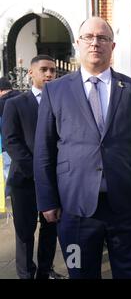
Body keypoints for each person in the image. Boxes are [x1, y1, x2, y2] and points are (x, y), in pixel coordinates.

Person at [33, 17, 131, 279]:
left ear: (113, 45)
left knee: (130, 273)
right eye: (88, 37)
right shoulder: (56, 91)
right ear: (78, 43)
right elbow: (44, 151)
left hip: (127, 207)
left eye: (102, 38)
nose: (95, 43)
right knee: (80, 273)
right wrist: (47, 200)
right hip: (75, 209)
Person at [2, 55, 64, 279]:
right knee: (25, 233)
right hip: (25, 181)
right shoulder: (15, 104)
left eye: (53, 71)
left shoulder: (60, 102)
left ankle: (46, 271)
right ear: (31, 73)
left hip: (54, 180)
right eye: (44, 70)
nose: (49, 74)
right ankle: (26, 274)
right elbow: (11, 141)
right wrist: (37, 171)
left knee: (50, 230)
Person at [0, 77, 21, 197]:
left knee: (8, 173)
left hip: (7, 146)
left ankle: (11, 197)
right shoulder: (24, 97)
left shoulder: (2, 104)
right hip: (26, 145)